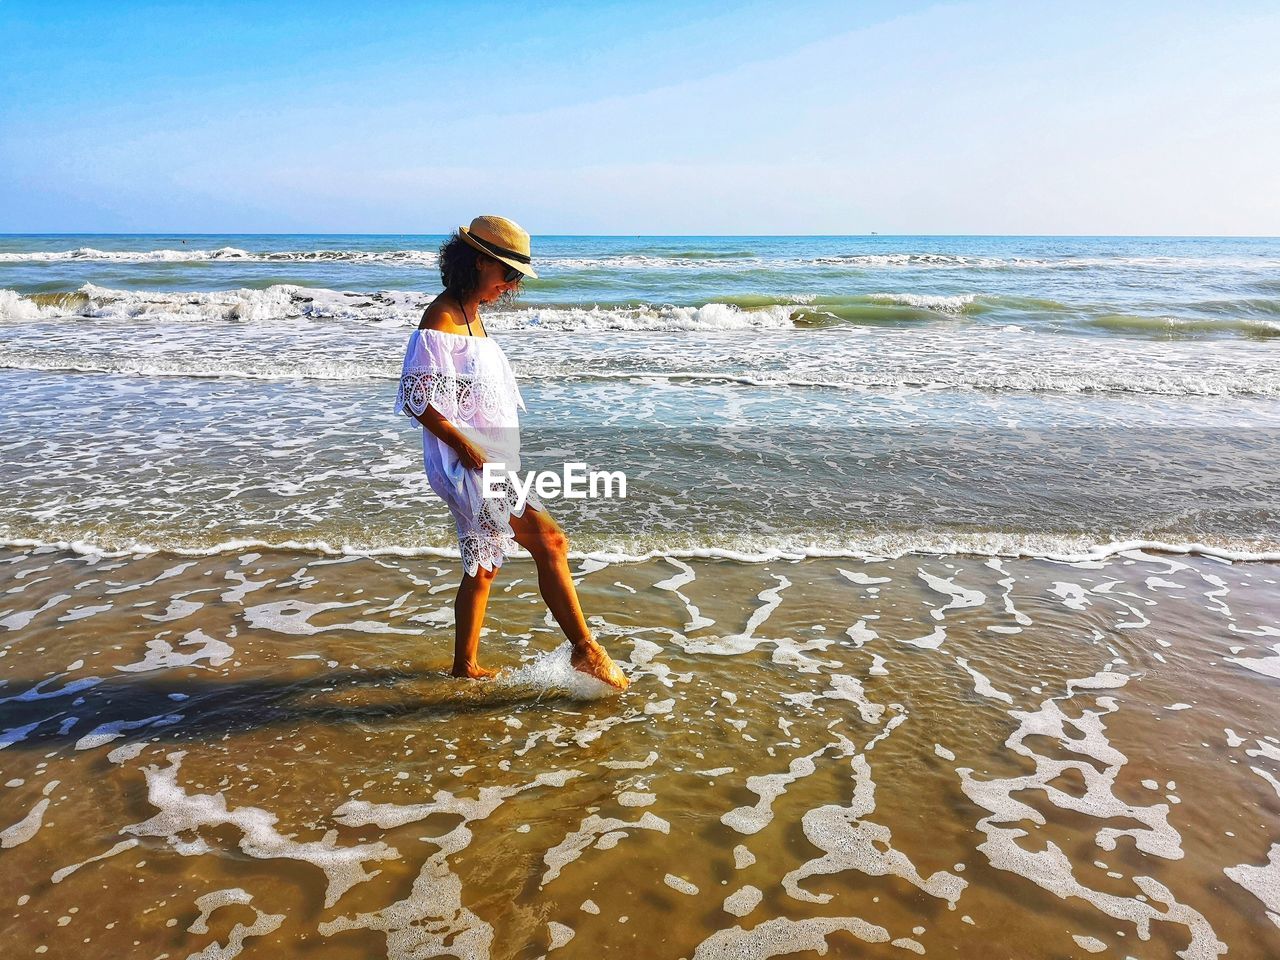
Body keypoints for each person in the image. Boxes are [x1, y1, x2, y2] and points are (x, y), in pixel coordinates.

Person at [394, 215, 629, 691]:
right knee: (551, 542)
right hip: (469, 464)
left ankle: (465, 667)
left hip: (487, 460)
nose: (513, 284)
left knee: (484, 565)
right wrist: (469, 448)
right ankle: (585, 650)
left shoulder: (469, 314)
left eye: (516, 276)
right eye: (508, 272)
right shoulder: (441, 319)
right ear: (479, 262)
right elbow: (418, 399)